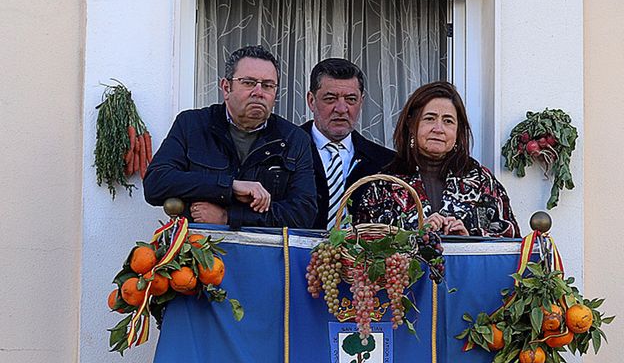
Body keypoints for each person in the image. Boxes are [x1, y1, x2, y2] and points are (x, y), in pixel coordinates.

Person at [144, 45, 320, 228]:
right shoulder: (192, 125)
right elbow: (156, 183)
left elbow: (303, 214)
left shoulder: (293, 139)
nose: (259, 92)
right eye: (249, 83)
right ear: (226, 88)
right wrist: (229, 186)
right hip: (198, 250)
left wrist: (228, 217)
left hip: (265, 253)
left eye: (268, 85)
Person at [350, 81, 519, 238]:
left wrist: (468, 238)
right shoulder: (386, 182)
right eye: (429, 118)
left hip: (467, 270)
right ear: (411, 123)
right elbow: (363, 244)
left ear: (458, 130)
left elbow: (510, 240)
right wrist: (415, 236)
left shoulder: (480, 180)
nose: (438, 129)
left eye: (448, 121)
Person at [301, 57, 395, 230]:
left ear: (362, 101)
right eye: (330, 99)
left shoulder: (385, 162)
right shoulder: (284, 151)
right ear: (311, 101)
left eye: (351, 99)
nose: (341, 109)